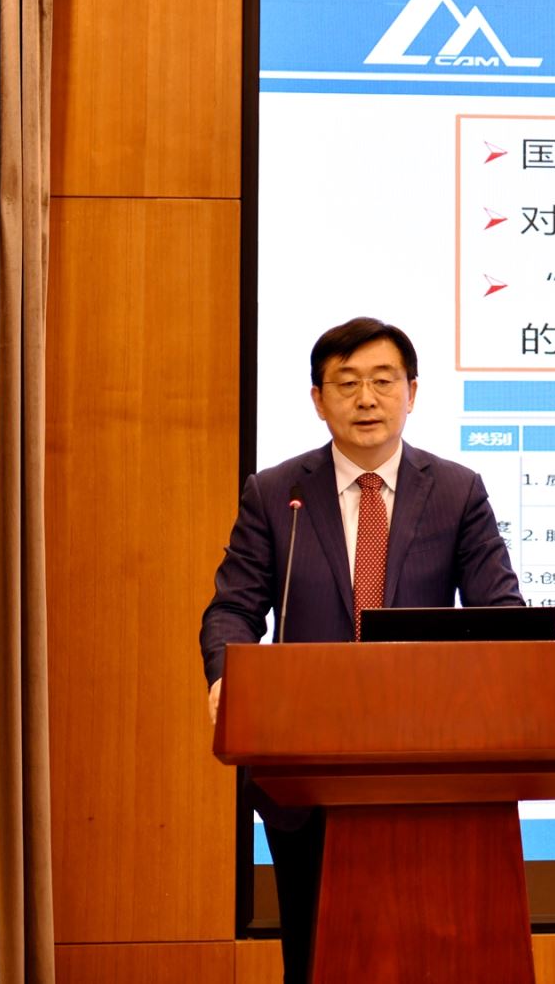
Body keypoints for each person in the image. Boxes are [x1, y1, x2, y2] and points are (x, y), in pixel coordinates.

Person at [199, 316, 524, 983]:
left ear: (412, 392)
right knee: (316, 957)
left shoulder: (457, 491)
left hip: (430, 771)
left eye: (383, 381)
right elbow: (233, 609)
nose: (367, 399)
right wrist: (228, 677)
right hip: (306, 767)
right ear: (318, 400)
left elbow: (500, 613)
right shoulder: (277, 494)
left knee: (437, 957)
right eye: (346, 384)